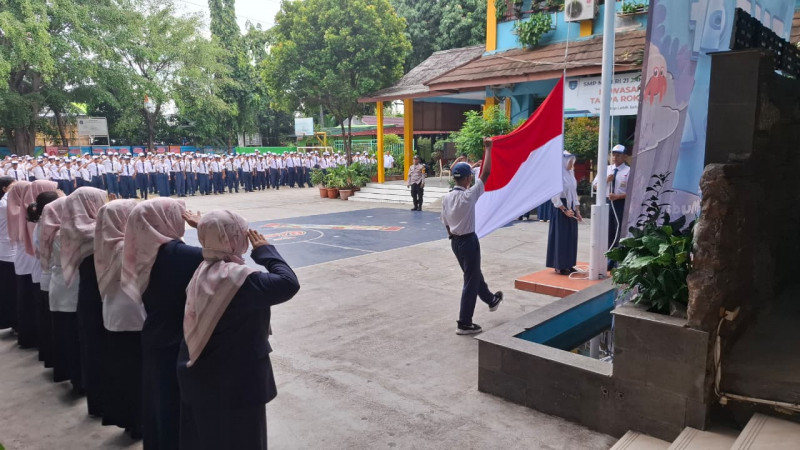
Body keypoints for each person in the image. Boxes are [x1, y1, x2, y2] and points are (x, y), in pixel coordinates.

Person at [177, 211, 299, 450]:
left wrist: (205, 226)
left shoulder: (204, 268)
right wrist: (265, 250)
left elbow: (216, 236)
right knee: (244, 438)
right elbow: (288, 283)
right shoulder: (240, 281)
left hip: (203, 376)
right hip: (238, 382)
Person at [121, 198, 203, 450]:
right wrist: (203, 228)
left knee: (159, 395)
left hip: (155, 329)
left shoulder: (139, 248)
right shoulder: (182, 255)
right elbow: (228, 258)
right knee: (176, 400)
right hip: (179, 335)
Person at [440, 138, 503, 335]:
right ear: (468, 179)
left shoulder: (447, 197)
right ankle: (464, 322)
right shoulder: (469, 196)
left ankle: (491, 300)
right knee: (470, 280)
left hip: (455, 242)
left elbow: (446, 225)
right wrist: (488, 149)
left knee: (473, 274)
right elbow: (486, 173)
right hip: (468, 241)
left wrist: (454, 236)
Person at [95, 199, 145, 438]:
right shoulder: (126, 246)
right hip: (132, 314)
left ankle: (129, 420)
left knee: (123, 370)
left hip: (115, 311)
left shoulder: (105, 240)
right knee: (136, 373)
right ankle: (138, 423)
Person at [61, 186, 108, 417]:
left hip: (88, 294)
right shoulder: (98, 233)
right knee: (101, 349)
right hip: (100, 296)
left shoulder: (72, 226)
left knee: (92, 346)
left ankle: (96, 398)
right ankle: (103, 401)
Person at [41, 196, 83, 390]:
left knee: (64, 333)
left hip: (59, 284)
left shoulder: (49, 230)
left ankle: (67, 372)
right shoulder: (65, 233)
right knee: (71, 336)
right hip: (70, 287)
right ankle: (76, 377)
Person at [27, 188, 61, 369]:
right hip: (52, 279)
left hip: (47, 278)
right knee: (55, 328)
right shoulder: (52, 228)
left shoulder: (44, 223)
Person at [594, 144, 630, 270]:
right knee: (607, 231)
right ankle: (608, 258)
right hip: (607, 203)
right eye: (613, 154)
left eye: (618, 155)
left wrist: (618, 197)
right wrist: (606, 181)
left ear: (625, 156)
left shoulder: (628, 171)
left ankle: (617, 260)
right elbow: (595, 186)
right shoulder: (606, 169)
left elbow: (633, 191)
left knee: (619, 231)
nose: (615, 157)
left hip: (620, 203)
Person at [546, 152, 582, 275]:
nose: (571, 164)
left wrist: (577, 210)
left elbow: (574, 193)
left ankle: (569, 263)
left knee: (571, 237)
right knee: (561, 238)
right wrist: (565, 210)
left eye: (573, 161)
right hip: (561, 208)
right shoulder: (557, 175)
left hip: (571, 207)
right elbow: (554, 196)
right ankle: (560, 265)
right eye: (570, 161)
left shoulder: (571, 174)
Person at [0, 177, 18, 331]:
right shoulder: (5, 205)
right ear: (4, 189)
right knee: (11, 289)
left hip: (7, 252)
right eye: (13, 186)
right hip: (8, 253)